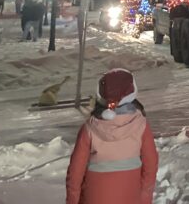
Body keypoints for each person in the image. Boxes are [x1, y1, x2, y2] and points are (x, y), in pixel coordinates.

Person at [66, 68, 158, 204]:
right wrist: (144, 198)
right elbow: (151, 165)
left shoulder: (90, 128)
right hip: (130, 196)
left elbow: (75, 173)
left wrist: (73, 201)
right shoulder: (141, 126)